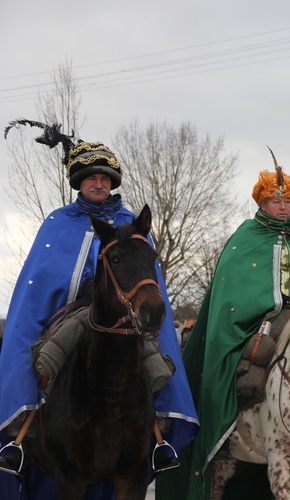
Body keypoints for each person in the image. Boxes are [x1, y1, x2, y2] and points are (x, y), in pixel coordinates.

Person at [0, 121, 198, 498]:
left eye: (105, 179)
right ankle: (22, 428)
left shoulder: (130, 225)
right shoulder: (58, 224)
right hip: (74, 309)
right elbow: (39, 286)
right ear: (79, 182)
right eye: (91, 178)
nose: (99, 184)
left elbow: (146, 276)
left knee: (156, 357)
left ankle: (159, 431)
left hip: (126, 315)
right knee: (54, 344)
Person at [155, 151, 290, 500]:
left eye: (288, 200)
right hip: (261, 320)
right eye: (276, 200)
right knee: (255, 356)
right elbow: (233, 294)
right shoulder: (246, 237)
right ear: (262, 203)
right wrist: (267, 308)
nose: (283, 206)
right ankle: (235, 425)